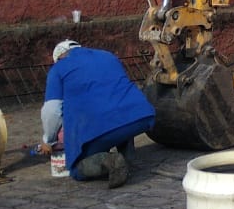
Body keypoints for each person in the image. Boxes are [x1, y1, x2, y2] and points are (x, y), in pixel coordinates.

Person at [40, 40, 156, 188]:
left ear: (59, 57)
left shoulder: (58, 68)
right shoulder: (108, 56)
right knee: (121, 119)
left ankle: (109, 161)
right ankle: (128, 157)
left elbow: (52, 110)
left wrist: (48, 140)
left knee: (76, 168)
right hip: (140, 115)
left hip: (101, 126)